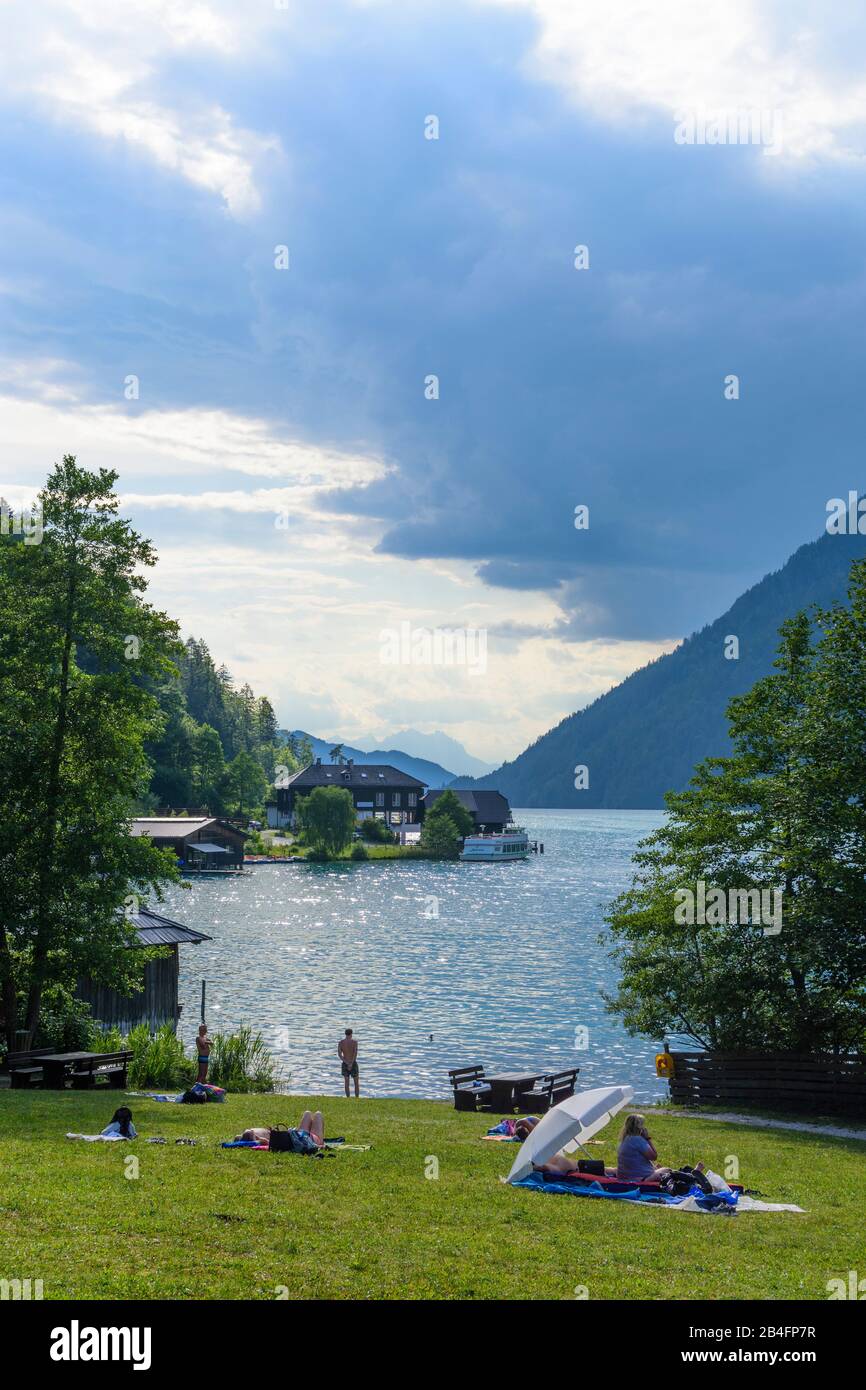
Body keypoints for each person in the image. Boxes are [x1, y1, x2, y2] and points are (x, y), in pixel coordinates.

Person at [234, 1110, 325, 1152]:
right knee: (317, 1114)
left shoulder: (258, 1140)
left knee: (309, 1113)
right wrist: (321, 1145)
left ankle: (319, 1139)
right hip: (307, 1138)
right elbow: (265, 1142)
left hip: (300, 1135)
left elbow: (237, 1138)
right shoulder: (263, 1142)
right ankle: (321, 1139)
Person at [338, 1028, 360, 1098]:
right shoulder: (354, 1042)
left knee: (346, 1083)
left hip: (345, 1063)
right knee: (356, 1083)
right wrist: (351, 1063)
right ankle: (357, 1098)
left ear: (345, 1034)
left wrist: (347, 1063)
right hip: (353, 1063)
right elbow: (355, 1054)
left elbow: (340, 1055)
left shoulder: (341, 1043)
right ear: (351, 1034)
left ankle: (348, 1098)